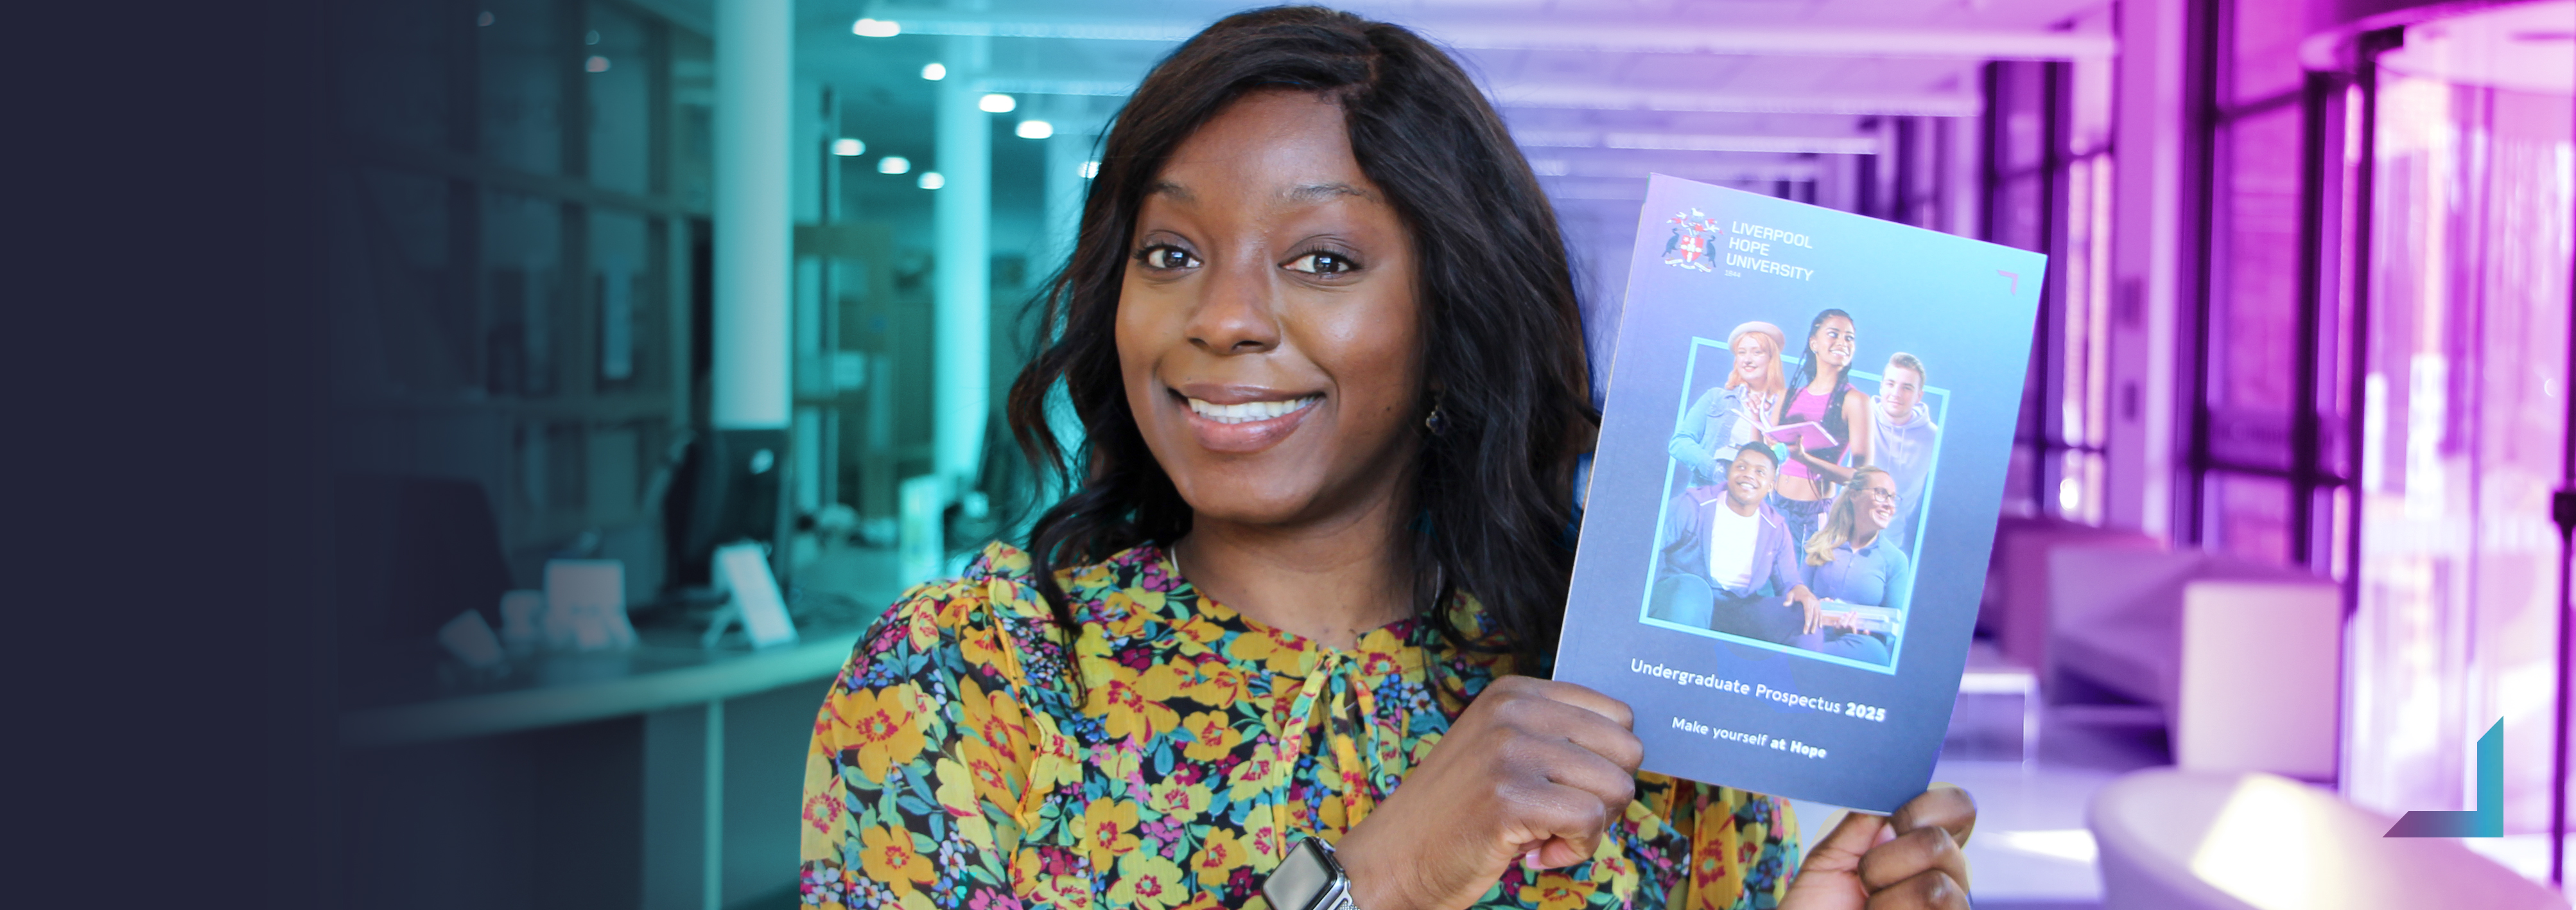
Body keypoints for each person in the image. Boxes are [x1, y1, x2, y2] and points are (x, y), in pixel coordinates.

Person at [798, 8, 1976, 910]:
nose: (1224, 317)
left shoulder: (1634, 714)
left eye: (1320, 260)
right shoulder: (973, 678)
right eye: (1170, 252)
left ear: (1449, 324)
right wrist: (1382, 878)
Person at [1649, 443, 1820, 643]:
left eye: (1760, 472)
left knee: (1802, 616)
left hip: (1739, 611)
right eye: (1741, 467)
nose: (1749, 475)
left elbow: (1789, 583)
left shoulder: (1776, 528)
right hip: (1684, 597)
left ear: (1771, 484)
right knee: (1694, 592)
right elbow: (1647, 547)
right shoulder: (1693, 504)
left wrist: (1800, 590)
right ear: (1730, 472)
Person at [1766, 310, 1872, 552]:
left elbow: (1861, 477)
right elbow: (1769, 452)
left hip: (1815, 514)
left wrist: (1806, 459)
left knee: (1801, 584)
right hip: (1776, 504)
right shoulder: (1786, 397)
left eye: (1849, 338)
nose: (1843, 343)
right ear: (1814, 343)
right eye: (1834, 335)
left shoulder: (1855, 401)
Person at [1791, 468, 1911, 665]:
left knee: (1875, 652)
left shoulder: (1896, 560)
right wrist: (1816, 606)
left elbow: (1890, 634)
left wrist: (1860, 628)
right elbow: (1797, 597)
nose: (1889, 504)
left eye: (1892, 498)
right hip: (1812, 631)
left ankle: (1803, 659)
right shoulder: (1820, 543)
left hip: (1856, 645)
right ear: (1854, 495)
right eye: (1881, 493)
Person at [1666, 321, 1788, 488]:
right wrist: (1715, 470)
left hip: (1754, 504)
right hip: (1708, 494)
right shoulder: (1716, 398)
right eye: (1741, 353)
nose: (1747, 360)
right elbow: (1679, 442)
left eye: (1757, 352)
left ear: (1772, 359)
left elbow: (1787, 462)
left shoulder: (1785, 408)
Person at [1865, 353, 1939, 552]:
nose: (1896, 394)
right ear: (1881, 386)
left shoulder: (1935, 438)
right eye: (1890, 384)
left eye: (1907, 388)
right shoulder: (1858, 417)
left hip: (1891, 545)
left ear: (1919, 395)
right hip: (1840, 533)